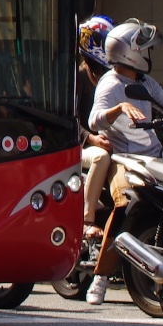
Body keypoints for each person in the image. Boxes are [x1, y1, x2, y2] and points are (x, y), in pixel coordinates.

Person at [85, 19, 163, 304]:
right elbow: (94, 120)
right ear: (130, 52)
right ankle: (101, 277)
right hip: (125, 159)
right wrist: (118, 109)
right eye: (145, 49)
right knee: (126, 206)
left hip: (156, 156)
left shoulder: (144, 81)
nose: (148, 55)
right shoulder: (110, 83)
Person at [73, 14, 115, 237]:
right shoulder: (77, 79)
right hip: (81, 147)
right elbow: (69, 119)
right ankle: (87, 220)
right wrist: (91, 138)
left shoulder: (113, 78)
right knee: (101, 157)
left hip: (107, 141)